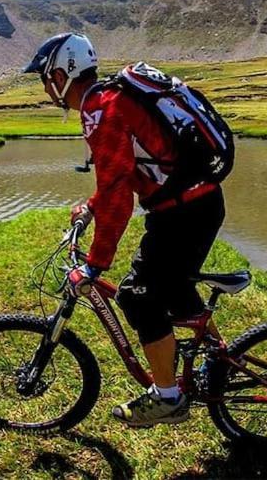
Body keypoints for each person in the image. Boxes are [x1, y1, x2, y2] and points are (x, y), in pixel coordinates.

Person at [23, 33, 226, 427]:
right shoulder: (110, 100)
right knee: (176, 287)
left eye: (46, 78)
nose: (45, 87)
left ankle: (168, 397)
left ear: (63, 74)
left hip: (184, 212)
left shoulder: (101, 109)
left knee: (138, 297)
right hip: (194, 204)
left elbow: (119, 196)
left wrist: (96, 265)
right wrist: (91, 207)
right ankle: (218, 360)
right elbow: (123, 176)